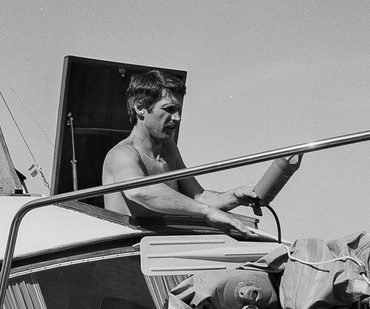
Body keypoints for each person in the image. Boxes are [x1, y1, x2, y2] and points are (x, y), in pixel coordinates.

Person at [101, 70, 269, 239]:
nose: (177, 118)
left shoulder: (169, 148)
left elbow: (199, 197)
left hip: (165, 248)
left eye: (179, 109)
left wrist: (235, 196)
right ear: (140, 107)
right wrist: (206, 212)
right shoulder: (122, 154)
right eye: (169, 109)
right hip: (127, 253)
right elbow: (138, 190)